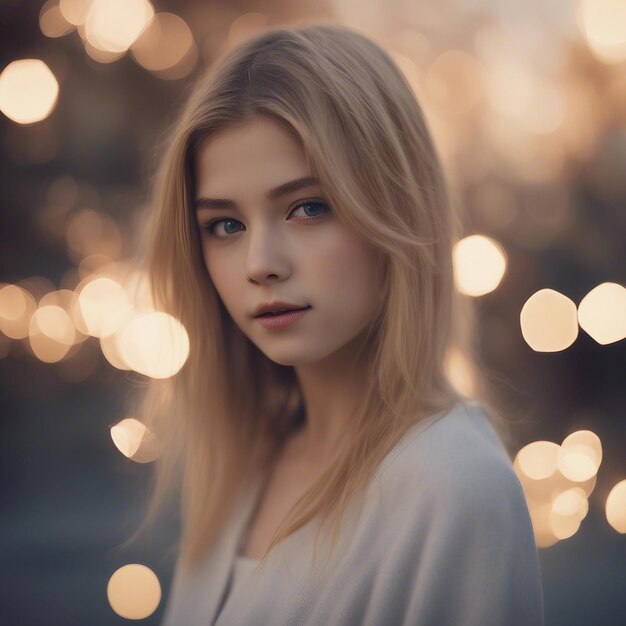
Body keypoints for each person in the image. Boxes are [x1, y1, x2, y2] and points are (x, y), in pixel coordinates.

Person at [133, 22, 544, 625]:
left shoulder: (454, 488)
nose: (260, 265)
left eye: (308, 207)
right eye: (225, 224)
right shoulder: (244, 453)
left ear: (398, 207)